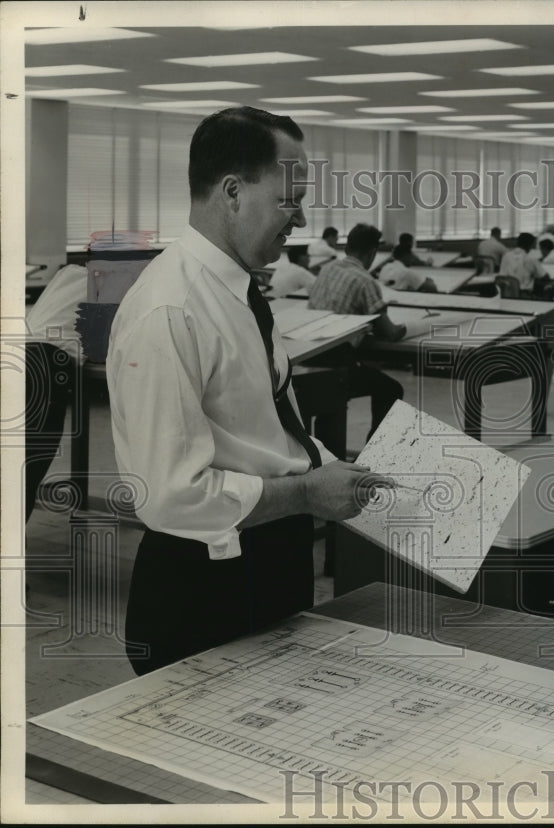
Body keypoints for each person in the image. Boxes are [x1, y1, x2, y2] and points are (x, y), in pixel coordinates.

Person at [107, 107, 392, 675]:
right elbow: (170, 495)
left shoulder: (239, 294)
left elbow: (266, 431)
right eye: (290, 199)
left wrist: (341, 473)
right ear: (232, 192)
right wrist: (310, 494)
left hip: (271, 561)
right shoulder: (169, 310)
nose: (302, 217)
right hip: (203, 587)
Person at [306, 223, 406, 453]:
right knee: (391, 389)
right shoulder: (365, 281)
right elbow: (389, 333)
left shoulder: (327, 269)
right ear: (372, 253)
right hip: (337, 365)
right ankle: (375, 452)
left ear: (347, 246)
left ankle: (327, 454)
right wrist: (408, 328)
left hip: (309, 359)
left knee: (329, 399)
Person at [24, 263, 87, 520]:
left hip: (17, 354)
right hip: (45, 365)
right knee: (26, 468)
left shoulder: (68, 272)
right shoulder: (121, 282)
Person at [499, 232, 549, 297]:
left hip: (505, 295)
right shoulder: (530, 259)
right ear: (530, 245)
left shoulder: (506, 256)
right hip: (524, 296)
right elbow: (544, 277)